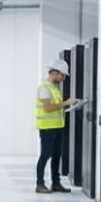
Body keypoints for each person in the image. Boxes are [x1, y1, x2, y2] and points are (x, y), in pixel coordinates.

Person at [35, 62, 83, 193]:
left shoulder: (55, 88)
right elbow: (48, 108)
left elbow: (57, 107)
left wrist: (70, 106)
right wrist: (66, 103)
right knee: (45, 155)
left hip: (57, 126)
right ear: (54, 73)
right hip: (47, 128)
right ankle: (39, 184)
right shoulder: (44, 87)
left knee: (57, 155)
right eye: (63, 75)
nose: (63, 78)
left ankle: (56, 183)